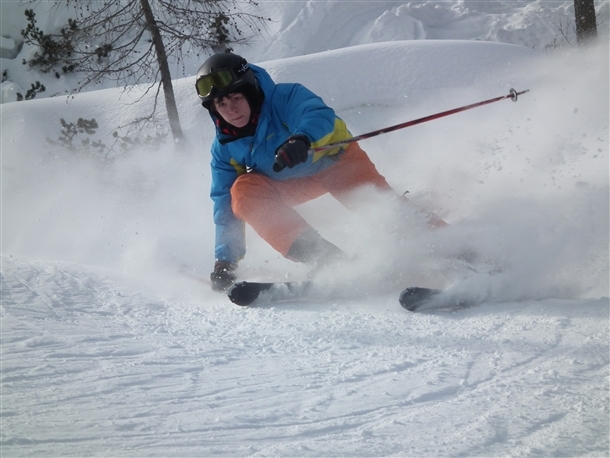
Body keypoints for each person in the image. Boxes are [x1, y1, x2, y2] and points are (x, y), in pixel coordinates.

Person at [195, 52, 445, 292]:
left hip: (338, 164)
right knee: (241, 192)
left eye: (236, 98)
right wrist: (225, 261)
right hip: (290, 183)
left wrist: (302, 139)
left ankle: (451, 243)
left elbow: (318, 114)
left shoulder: (284, 97)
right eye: (221, 104)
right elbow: (224, 204)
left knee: (383, 210)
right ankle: (326, 259)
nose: (231, 109)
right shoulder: (225, 146)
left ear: (250, 92)